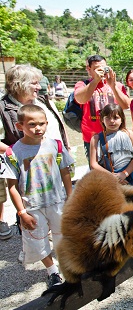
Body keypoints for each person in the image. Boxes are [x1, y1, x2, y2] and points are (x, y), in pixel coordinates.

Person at [3, 104, 74, 288]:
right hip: (32, 206)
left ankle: (68, 267)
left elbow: (65, 172)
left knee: (63, 236)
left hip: (57, 202)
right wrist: (21, 212)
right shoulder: (13, 153)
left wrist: (71, 197)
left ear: (47, 124)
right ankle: (52, 272)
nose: (38, 128)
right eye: (32, 124)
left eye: (42, 124)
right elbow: (12, 186)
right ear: (20, 126)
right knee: (38, 241)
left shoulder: (55, 145)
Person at [0, 64, 70, 244]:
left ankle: (54, 236)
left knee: (53, 199)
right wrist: (14, 151)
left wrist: (65, 146)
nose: (39, 87)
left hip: (51, 160)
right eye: (34, 83)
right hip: (26, 166)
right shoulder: (3, 107)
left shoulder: (42, 100)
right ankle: (32, 242)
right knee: (28, 202)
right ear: (19, 84)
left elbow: (57, 124)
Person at [74, 55, 130, 163]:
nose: (101, 71)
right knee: (97, 171)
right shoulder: (82, 84)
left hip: (115, 135)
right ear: (88, 69)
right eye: (96, 69)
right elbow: (80, 99)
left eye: (103, 68)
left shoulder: (116, 85)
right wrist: (95, 81)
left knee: (117, 167)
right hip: (91, 137)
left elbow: (126, 105)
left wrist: (112, 85)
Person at [89, 104, 133, 187]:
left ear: (122, 119)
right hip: (107, 180)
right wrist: (113, 177)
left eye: (115, 118)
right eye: (108, 118)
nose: (112, 121)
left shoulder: (129, 134)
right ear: (102, 119)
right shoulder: (96, 139)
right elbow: (93, 164)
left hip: (129, 177)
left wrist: (124, 174)